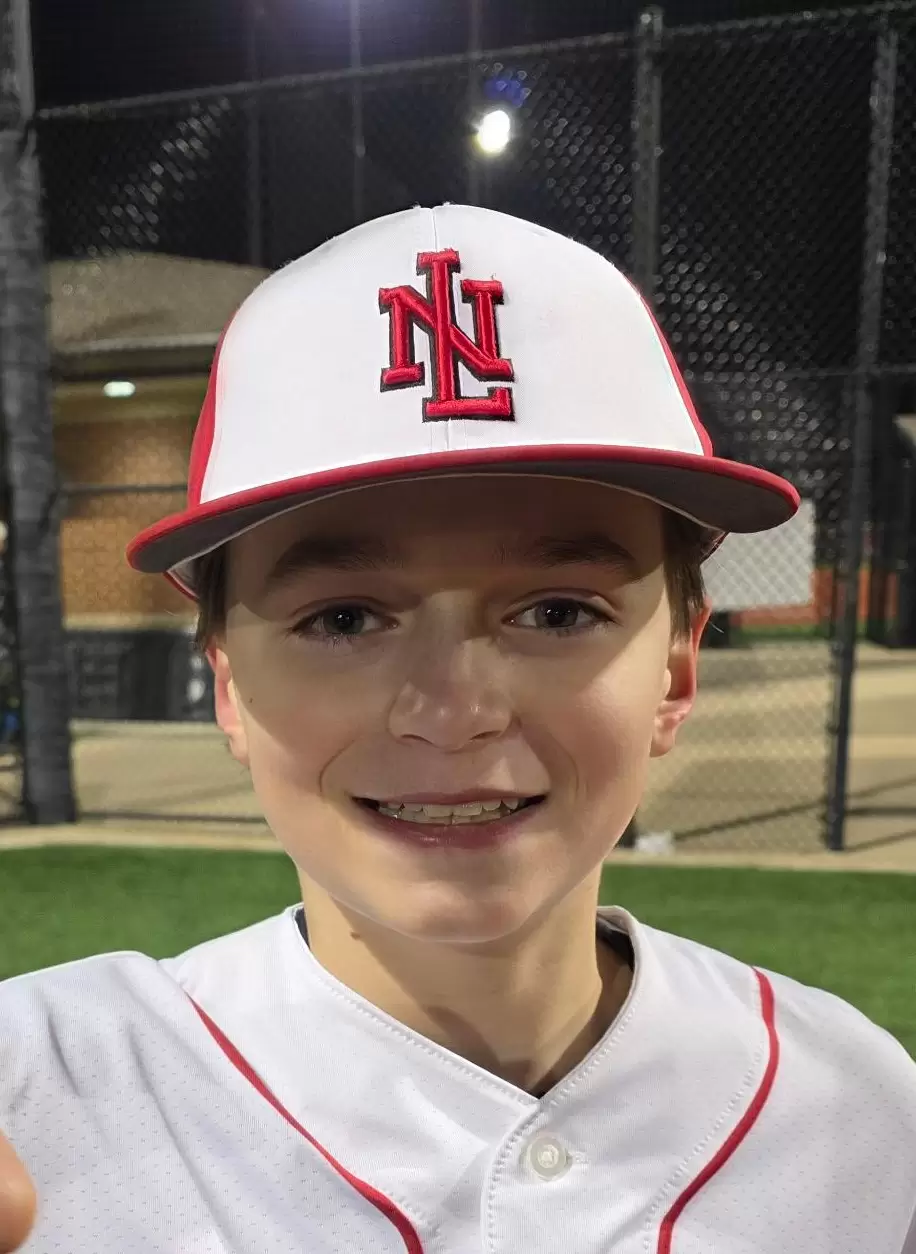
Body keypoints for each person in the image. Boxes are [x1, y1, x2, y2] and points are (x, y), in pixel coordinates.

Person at [1, 204, 914, 1253]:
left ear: (674, 670)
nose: (454, 712)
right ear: (228, 687)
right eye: (343, 620)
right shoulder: (39, 1091)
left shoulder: (857, 1114)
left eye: (557, 613)